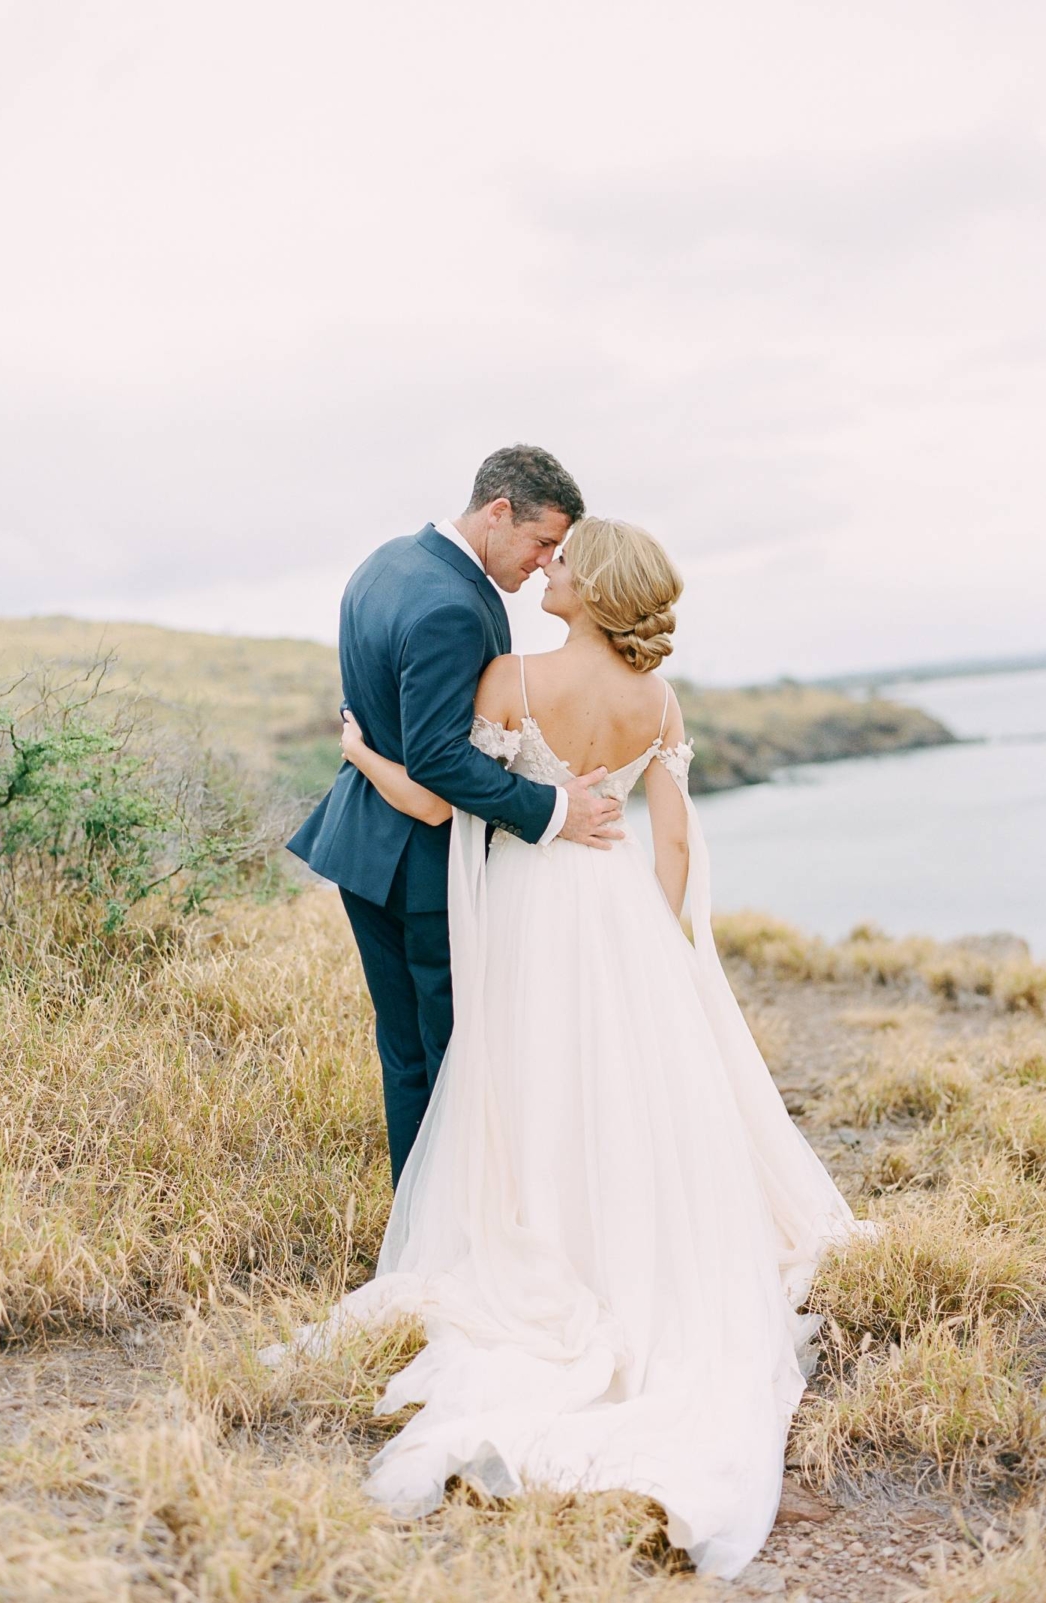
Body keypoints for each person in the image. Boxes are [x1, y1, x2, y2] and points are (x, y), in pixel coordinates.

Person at [276, 513, 871, 1581]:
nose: (547, 569)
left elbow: (443, 799)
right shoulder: (658, 700)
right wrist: (666, 945)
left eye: (565, 563)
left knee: (530, 1092)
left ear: (590, 590)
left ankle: (544, 1247)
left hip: (529, 921)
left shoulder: (511, 680)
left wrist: (361, 749)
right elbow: (676, 836)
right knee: (628, 1101)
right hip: (623, 920)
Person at [288, 445, 622, 1186]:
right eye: (541, 542)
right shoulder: (449, 603)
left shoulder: (386, 562)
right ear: (498, 512)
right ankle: (446, 1237)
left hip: (367, 847)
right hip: (423, 863)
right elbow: (439, 758)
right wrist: (553, 811)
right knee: (451, 1055)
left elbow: (389, 725)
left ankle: (419, 1220)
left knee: (407, 1053)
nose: (542, 563)